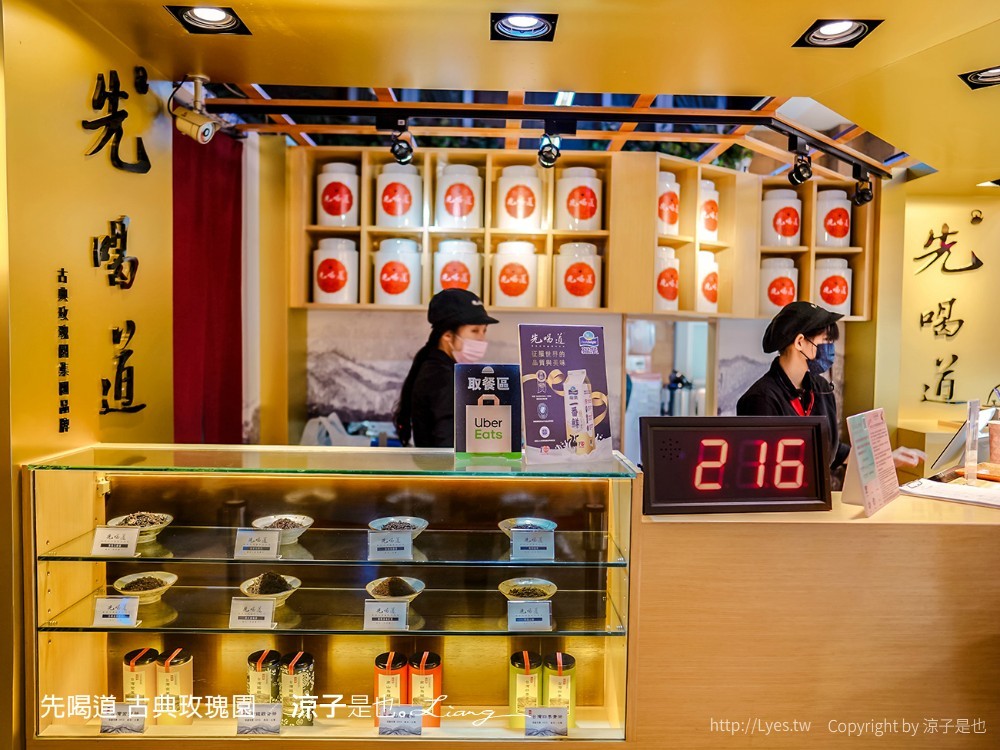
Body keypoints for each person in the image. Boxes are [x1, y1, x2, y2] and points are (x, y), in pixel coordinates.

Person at [737, 301, 924, 470]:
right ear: (800, 342)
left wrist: (886, 458)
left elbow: (833, 452)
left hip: (818, 503)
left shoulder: (821, 388)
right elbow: (761, 469)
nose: (831, 348)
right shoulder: (760, 400)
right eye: (826, 340)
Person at [393, 288, 499, 447]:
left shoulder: (439, 367)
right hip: (444, 470)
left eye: (484, 330)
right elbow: (446, 442)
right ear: (447, 335)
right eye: (474, 331)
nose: (482, 338)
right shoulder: (440, 376)